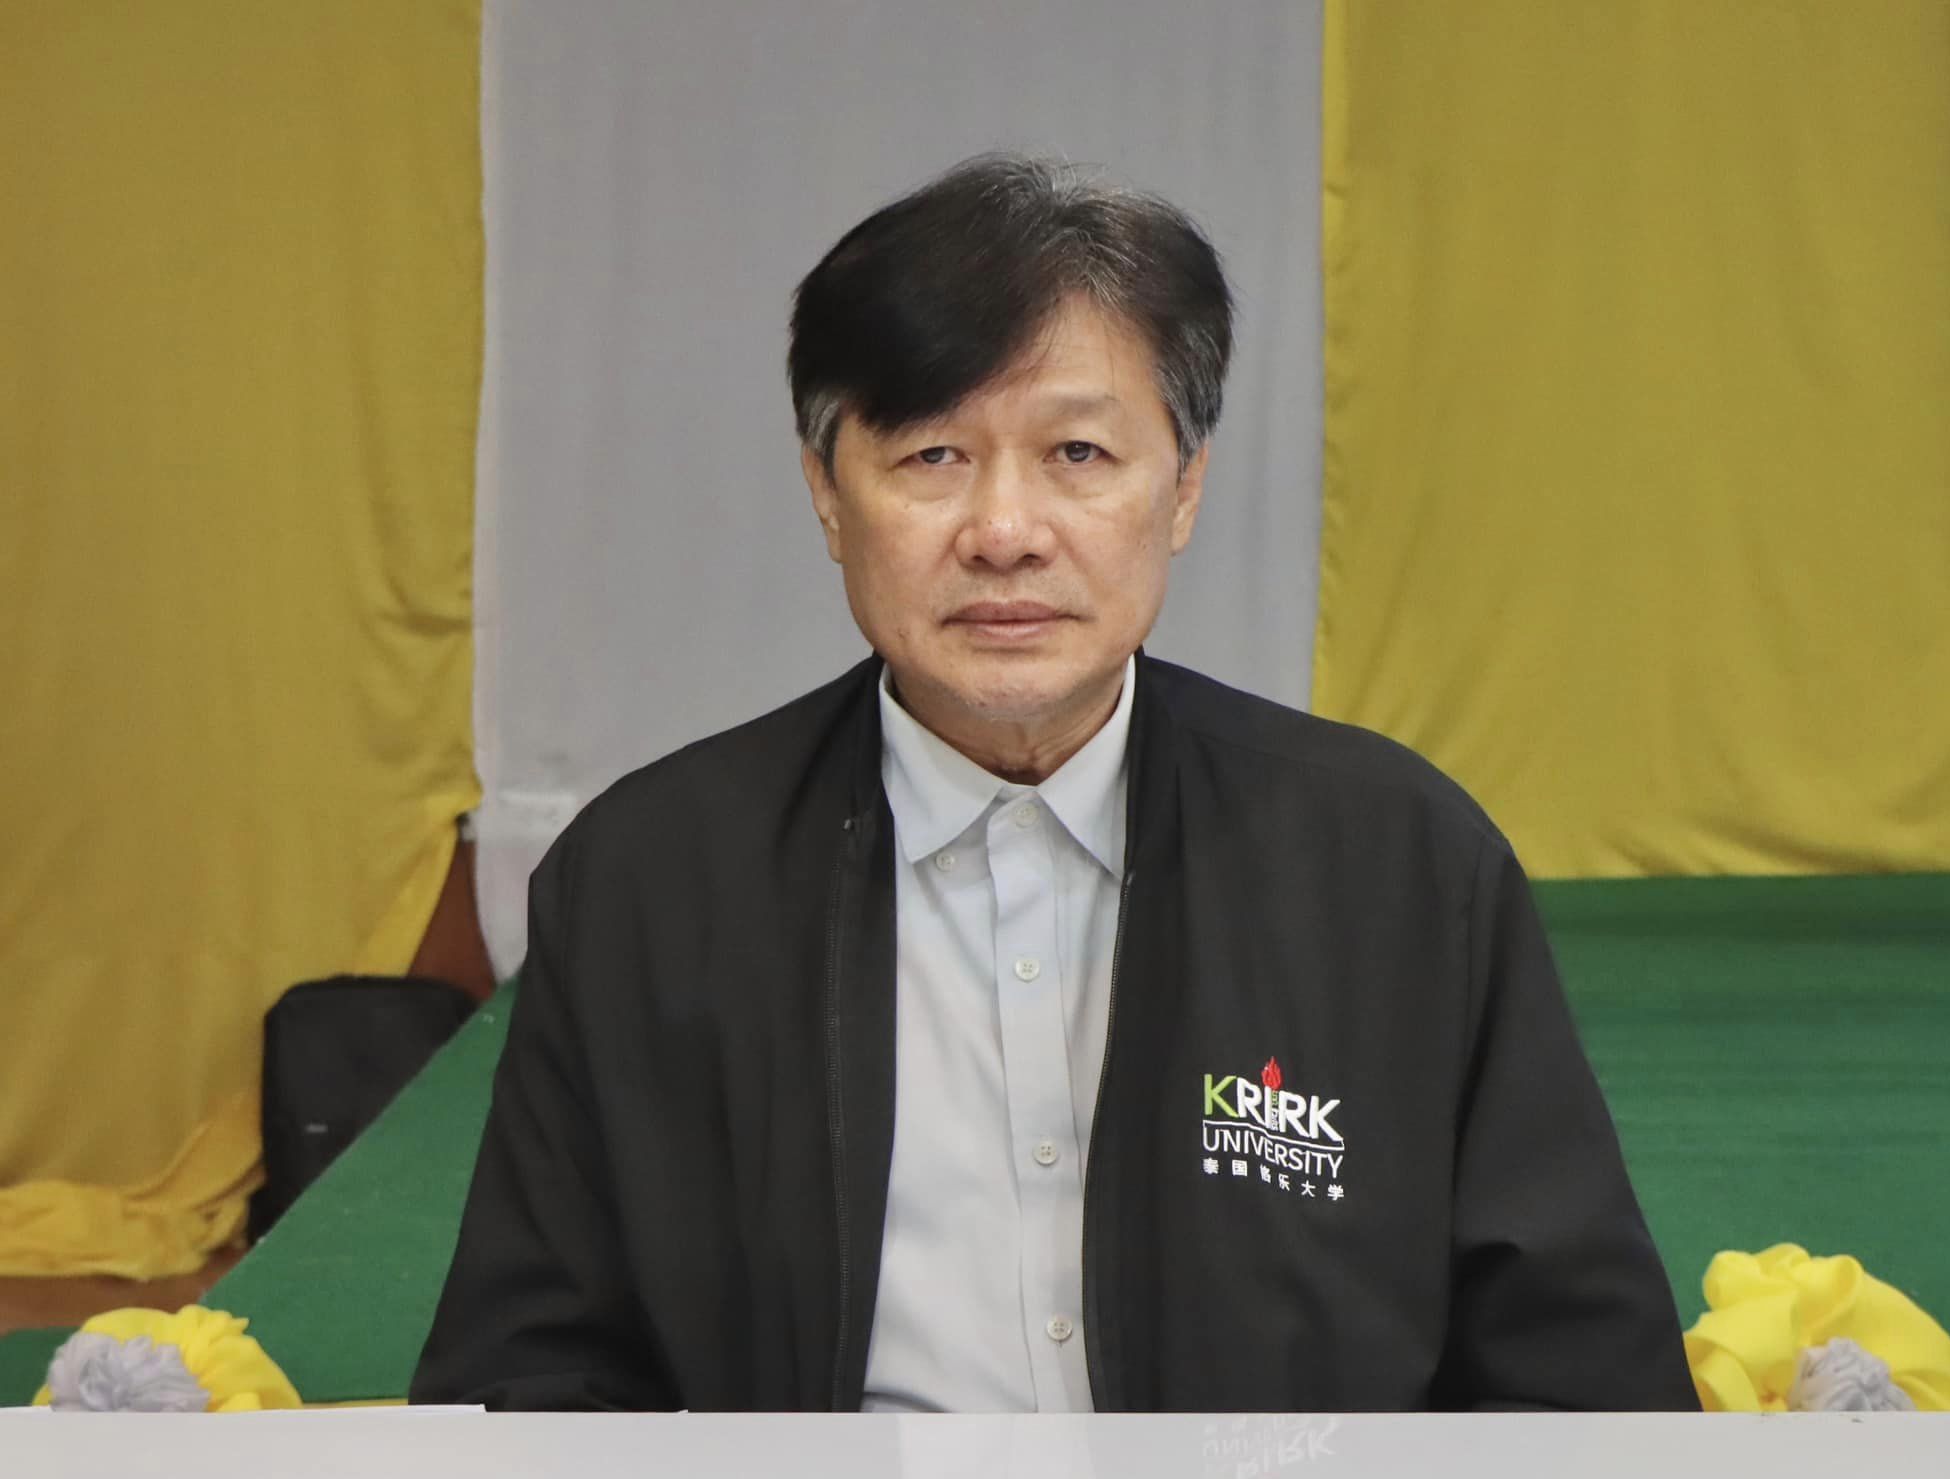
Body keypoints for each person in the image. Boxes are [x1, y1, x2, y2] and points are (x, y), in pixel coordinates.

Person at [412, 153, 1694, 1413]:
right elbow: (533, 1389)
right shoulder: (650, 883)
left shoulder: (1394, 862)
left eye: (1077, 453)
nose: (1004, 532)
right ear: (826, 494)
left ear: (1181, 488)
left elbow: (1581, 1391)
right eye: (931, 456)